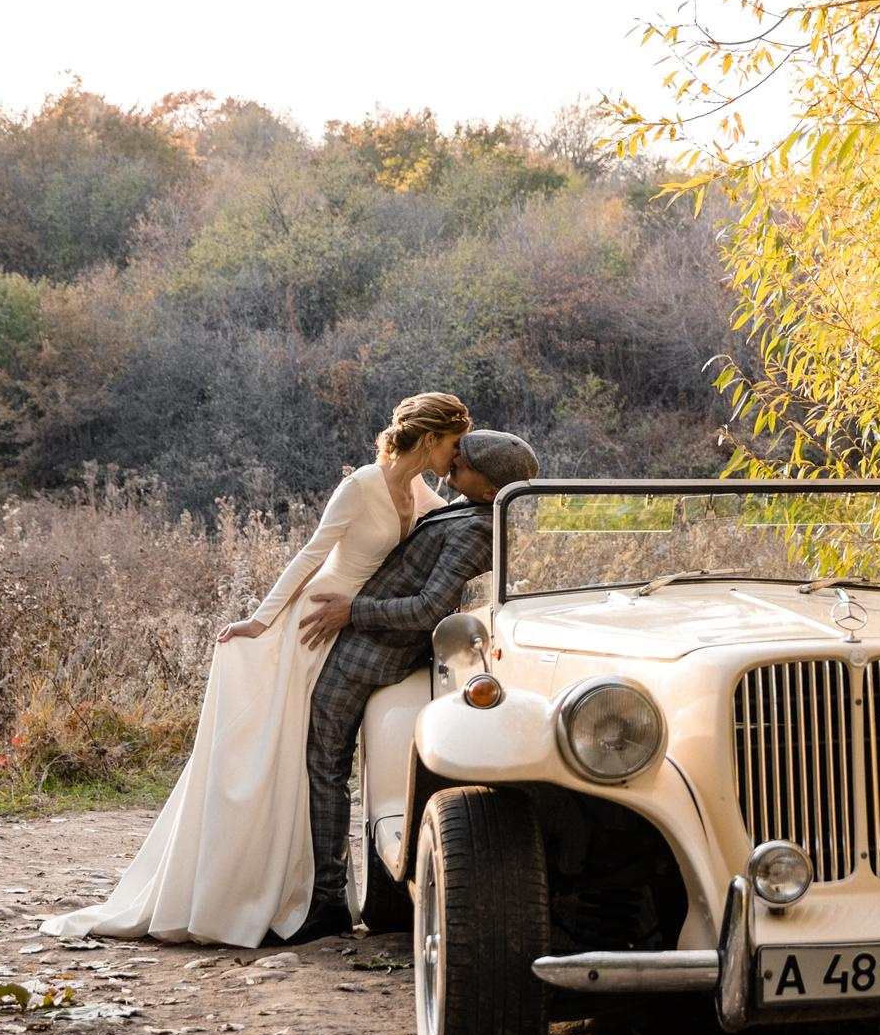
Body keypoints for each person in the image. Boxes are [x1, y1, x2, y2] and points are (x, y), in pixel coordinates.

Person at [41, 393, 474, 946]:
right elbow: (311, 554)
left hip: (354, 627)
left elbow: (457, 524)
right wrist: (261, 621)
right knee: (282, 756)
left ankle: (319, 894)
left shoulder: (421, 491)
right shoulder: (363, 484)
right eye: (456, 445)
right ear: (433, 438)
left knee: (309, 759)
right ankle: (270, 891)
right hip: (314, 623)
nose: (458, 457)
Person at [290, 427, 540, 941]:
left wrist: (351, 611)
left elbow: (430, 607)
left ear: (492, 491)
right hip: (362, 641)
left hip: (369, 651)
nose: (453, 463)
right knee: (323, 763)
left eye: (463, 461)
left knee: (323, 765)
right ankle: (325, 895)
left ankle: (326, 903)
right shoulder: (465, 507)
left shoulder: (476, 529)